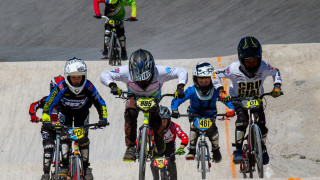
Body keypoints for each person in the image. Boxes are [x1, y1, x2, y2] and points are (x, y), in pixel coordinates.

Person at [100, 49, 188, 161]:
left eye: (145, 80)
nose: (142, 83)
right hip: (134, 96)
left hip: (153, 98)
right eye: (138, 80)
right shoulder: (125, 71)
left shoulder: (160, 71)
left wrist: (180, 87)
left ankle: (158, 141)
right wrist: (112, 85)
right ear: (131, 70)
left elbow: (181, 71)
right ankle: (131, 147)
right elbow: (105, 74)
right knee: (130, 112)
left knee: (155, 121)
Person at [212, 36, 282, 165]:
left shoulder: (264, 66)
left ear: (260, 58)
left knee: (262, 127)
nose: (252, 64)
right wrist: (221, 91)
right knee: (242, 121)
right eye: (248, 61)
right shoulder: (233, 68)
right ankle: (238, 150)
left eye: (255, 61)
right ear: (241, 59)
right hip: (238, 99)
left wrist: (277, 86)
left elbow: (275, 72)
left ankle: (262, 147)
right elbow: (215, 74)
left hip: (256, 98)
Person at [42, 57, 109, 180]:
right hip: (65, 113)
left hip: (82, 113)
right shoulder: (61, 87)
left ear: (84, 76)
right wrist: (46, 119)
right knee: (64, 137)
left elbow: (100, 101)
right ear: (68, 77)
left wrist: (103, 118)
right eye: (73, 77)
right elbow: (48, 103)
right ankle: (64, 165)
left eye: (79, 77)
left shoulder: (89, 86)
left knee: (83, 138)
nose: (77, 80)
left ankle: (85, 167)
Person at [171, 62, 235, 162]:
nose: (204, 83)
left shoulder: (216, 91)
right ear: (196, 80)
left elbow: (226, 100)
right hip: (195, 113)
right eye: (201, 81)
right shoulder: (191, 90)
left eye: (206, 81)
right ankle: (192, 150)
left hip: (210, 114)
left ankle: (216, 150)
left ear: (212, 80)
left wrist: (231, 108)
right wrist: (174, 109)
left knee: (213, 132)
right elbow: (178, 99)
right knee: (194, 127)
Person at [29, 75, 64, 180]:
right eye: (55, 89)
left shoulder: (67, 100)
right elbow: (34, 105)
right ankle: (46, 173)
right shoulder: (45, 100)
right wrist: (33, 116)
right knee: (48, 148)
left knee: (66, 145)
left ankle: (67, 165)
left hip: (63, 128)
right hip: (48, 128)